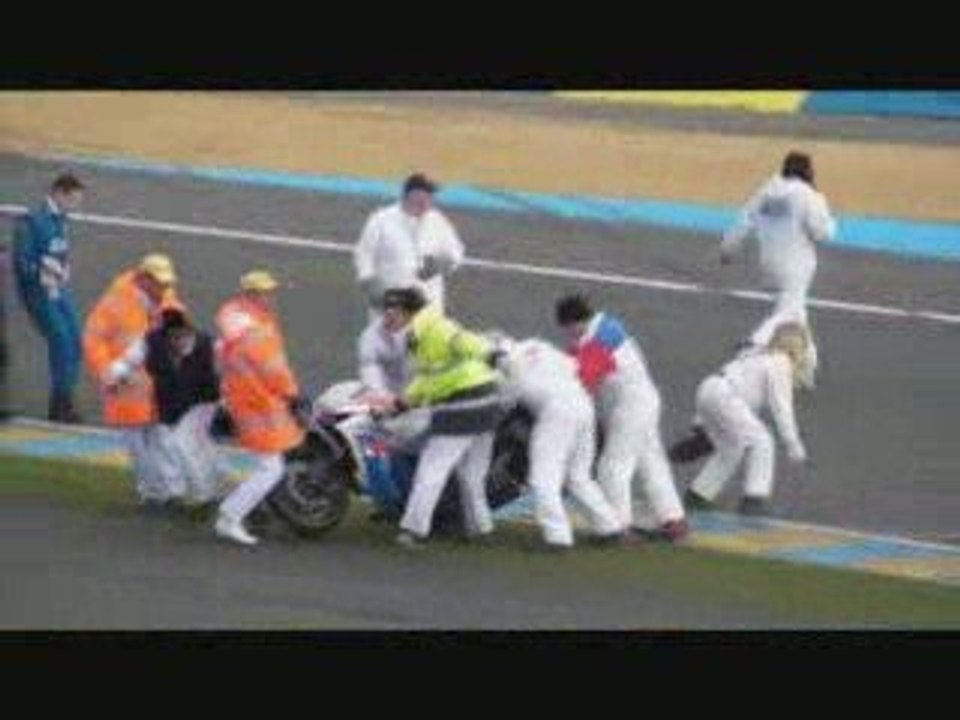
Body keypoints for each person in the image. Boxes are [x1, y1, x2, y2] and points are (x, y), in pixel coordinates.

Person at [377, 288, 503, 549]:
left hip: (462, 405)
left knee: (431, 470)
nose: (385, 318)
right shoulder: (422, 333)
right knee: (472, 474)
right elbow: (428, 378)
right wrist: (400, 404)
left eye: (391, 312)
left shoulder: (435, 328)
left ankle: (413, 531)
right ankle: (481, 529)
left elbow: (463, 340)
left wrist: (491, 354)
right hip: (487, 404)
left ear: (407, 312)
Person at [555, 294, 687, 541]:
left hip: (630, 407)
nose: (568, 335)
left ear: (575, 322)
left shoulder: (599, 340)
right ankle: (673, 519)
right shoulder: (604, 328)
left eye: (568, 329)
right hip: (640, 402)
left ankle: (618, 526)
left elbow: (582, 380)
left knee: (613, 466)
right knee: (651, 462)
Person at [491, 334, 626, 549]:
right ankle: (609, 527)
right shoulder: (538, 345)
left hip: (555, 413)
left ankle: (557, 537)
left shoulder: (505, 370)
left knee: (543, 479)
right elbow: (575, 368)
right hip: (583, 406)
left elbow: (505, 405)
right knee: (578, 476)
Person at [720, 151, 836, 388]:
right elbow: (822, 233)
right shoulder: (807, 195)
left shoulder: (767, 190)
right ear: (806, 171)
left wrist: (728, 249)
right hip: (796, 265)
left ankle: (807, 368)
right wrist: (832, 221)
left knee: (797, 313)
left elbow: (744, 221)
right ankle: (752, 347)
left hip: (769, 263)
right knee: (789, 312)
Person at [213, 270, 310, 546]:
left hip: (243, 400)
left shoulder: (234, 321)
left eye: (270, 292)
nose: (271, 297)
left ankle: (246, 510)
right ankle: (231, 515)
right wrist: (293, 395)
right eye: (265, 293)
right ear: (251, 295)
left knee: (265, 463)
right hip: (259, 404)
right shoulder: (257, 331)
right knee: (271, 467)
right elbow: (274, 369)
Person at [83, 254, 183, 508]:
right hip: (127, 387)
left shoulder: (167, 299)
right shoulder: (114, 303)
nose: (164, 289)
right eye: (159, 283)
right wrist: (107, 372)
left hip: (158, 383)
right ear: (143, 279)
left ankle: (171, 491)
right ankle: (152, 491)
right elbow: (93, 339)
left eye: (167, 283)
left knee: (163, 437)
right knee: (137, 443)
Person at [683, 322, 811, 516]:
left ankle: (698, 495)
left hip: (708, 388)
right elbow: (781, 408)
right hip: (725, 396)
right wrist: (794, 446)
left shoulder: (755, 354)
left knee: (731, 448)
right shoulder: (780, 362)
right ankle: (754, 500)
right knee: (762, 441)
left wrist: (699, 423)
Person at [12, 173, 86, 422]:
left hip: (57, 289)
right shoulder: (32, 221)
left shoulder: (61, 219)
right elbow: (22, 264)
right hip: (38, 293)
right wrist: (44, 271)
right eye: (73, 200)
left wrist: (63, 268)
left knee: (75, 339)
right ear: (58, 194)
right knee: (62, 340)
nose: (75, 207)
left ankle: (65, 396)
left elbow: (59, 251)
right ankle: (60, 404)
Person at [144, 308, 225, 510]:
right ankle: (185, 493)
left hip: (203, 403)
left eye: (182, 336)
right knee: (173, 445)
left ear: (190, 332)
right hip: (170, 403)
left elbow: (231, 361)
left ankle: (206, 494)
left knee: (191, 445)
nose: (178, 341)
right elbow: (130, 361)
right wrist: (116, 374)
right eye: (173, 337)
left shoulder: (208, 344)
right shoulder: (153, 343)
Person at [353, 173, 464, 317]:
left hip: (428, 303)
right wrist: (369, 282)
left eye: (431, 196)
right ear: (412, 194)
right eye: (427, 195)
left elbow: (456, 251)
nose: (430, 200)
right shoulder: (381, 220)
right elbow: (364, 253)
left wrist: (441, 264)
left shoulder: (437, 220)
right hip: (391, 304)